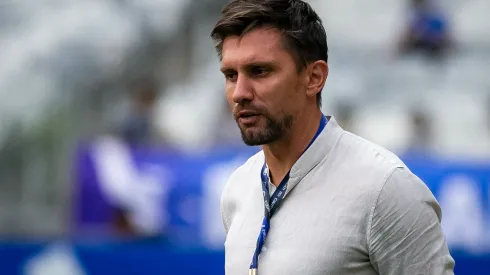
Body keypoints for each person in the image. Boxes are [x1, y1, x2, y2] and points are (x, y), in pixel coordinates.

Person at [210, 1, 455, 274]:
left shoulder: (385, 190)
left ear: (314, 78)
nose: (239, 92)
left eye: (260, 71)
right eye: (231, 75)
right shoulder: (237, 190)